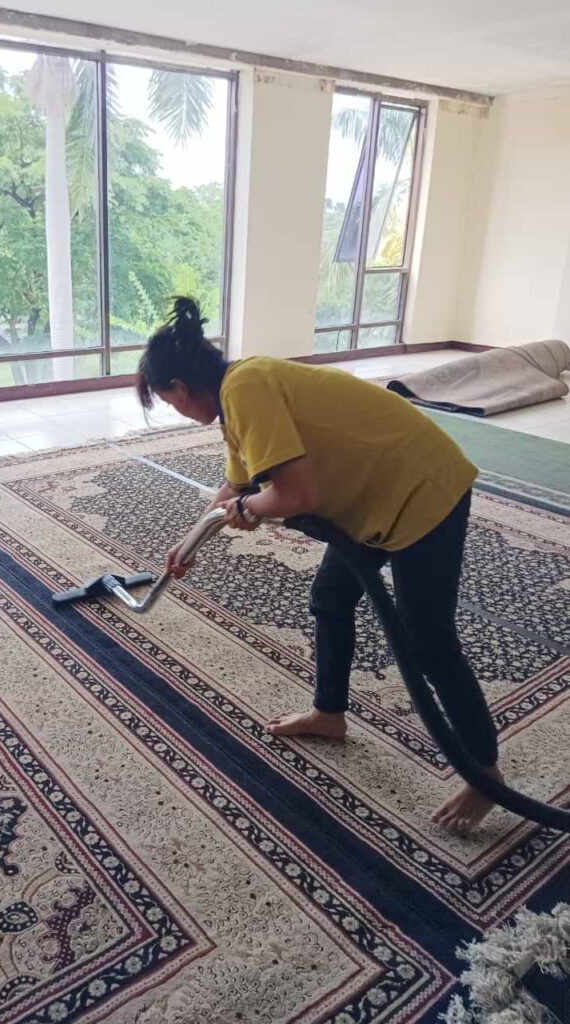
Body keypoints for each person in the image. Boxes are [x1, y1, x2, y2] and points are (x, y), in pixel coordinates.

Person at [136, 297, 504, 832]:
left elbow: (295, 496)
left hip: (422, 489)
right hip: (373, 497)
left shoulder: (246, 388)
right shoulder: (236, 399)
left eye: (168, 401)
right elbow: (235, 488)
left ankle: (485, 772)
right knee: (330, 597)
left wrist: (251, 509)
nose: (174, 409)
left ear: (179, 387)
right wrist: (188, 544)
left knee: (428, 641)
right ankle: (329, 714)